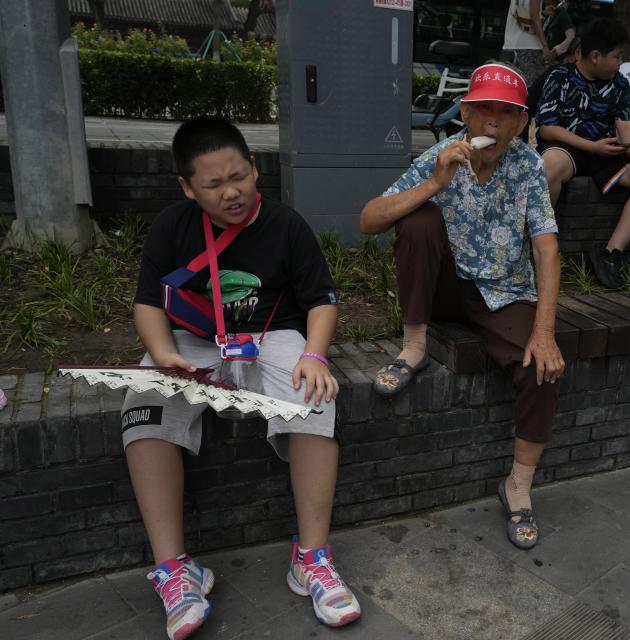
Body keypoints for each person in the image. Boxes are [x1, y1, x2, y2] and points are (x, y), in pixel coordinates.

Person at [122, 116, 360, 639]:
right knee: (144, 404)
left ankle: (312, 559)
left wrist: (315, 356)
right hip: (191, 341)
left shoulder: (285, 224)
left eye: (240, 176)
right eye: (213, 184)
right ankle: (175, 571)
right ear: (188, 187)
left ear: (255, 168)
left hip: (272, 338)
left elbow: (321, 300)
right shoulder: (171, 227)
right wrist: (162, 354)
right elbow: (147, 305)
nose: (231, 192)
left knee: (315, 397)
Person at [359, 62, 564, 550]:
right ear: (466, 114)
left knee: (543, 369)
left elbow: (546, 249)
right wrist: (433, 184)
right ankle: (413, 347)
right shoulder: (440, 156)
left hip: (502, 292)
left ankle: (517, 487)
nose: (494, 123)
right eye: (484, 110)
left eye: (506, 114)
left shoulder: (529, 165)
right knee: (418, 220)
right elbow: (368, 219)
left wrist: (544, 331)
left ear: (521, 122)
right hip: (446, 287)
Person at [536, 17, 630, 290]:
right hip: (568, 148)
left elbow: (626, 124)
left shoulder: (619, 83)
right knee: (548, 166)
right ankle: (541, 249)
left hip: (606, 152)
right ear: (596, 56)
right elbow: (547, 129)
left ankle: (610, 253)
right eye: (617, 56)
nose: (621, 62)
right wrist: (591, 147)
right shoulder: (559, 76)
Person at [502, 0, 551, 96]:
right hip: (529, 47)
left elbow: (523, 12)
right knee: (531, 91)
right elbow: (534, 18)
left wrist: (543, 13)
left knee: (511, 89)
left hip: (509, 46)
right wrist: (545, 46)